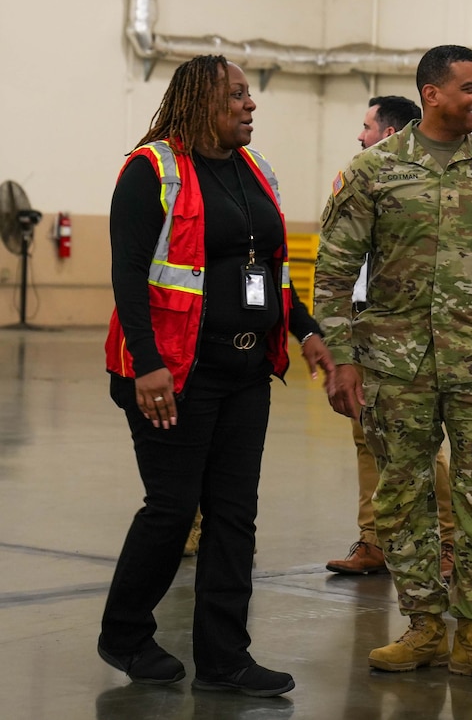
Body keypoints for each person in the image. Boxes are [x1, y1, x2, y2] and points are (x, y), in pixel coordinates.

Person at [314, 44, 472, 683]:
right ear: (431, 93)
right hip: (396, 367)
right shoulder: (375, 170)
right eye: (469, 88)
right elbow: (332, 274)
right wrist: (342, 360)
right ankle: (421, 627)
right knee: (403, 492)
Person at [101, 54, 334, 697]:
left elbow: (274, 271)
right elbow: (128, 277)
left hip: (246, 370)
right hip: (173, 374)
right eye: (237, 95)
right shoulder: (151, 170)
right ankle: (124, 632)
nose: (250, 104)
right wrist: (148, 366)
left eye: (249, 95)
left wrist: (305, 330)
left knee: (235, 515)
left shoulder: (255, 170)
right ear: (202, 101)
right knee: (174, 509)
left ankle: (225, 659)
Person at [326, 95, 456, 579]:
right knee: (366, 437)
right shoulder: (360, 176)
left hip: (407, 329)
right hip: (362, 322)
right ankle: (373, 540)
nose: (360, 135)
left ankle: (449, 542)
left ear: (390, 131)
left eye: (366, 126)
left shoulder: (424, 180)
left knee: (422, 446)